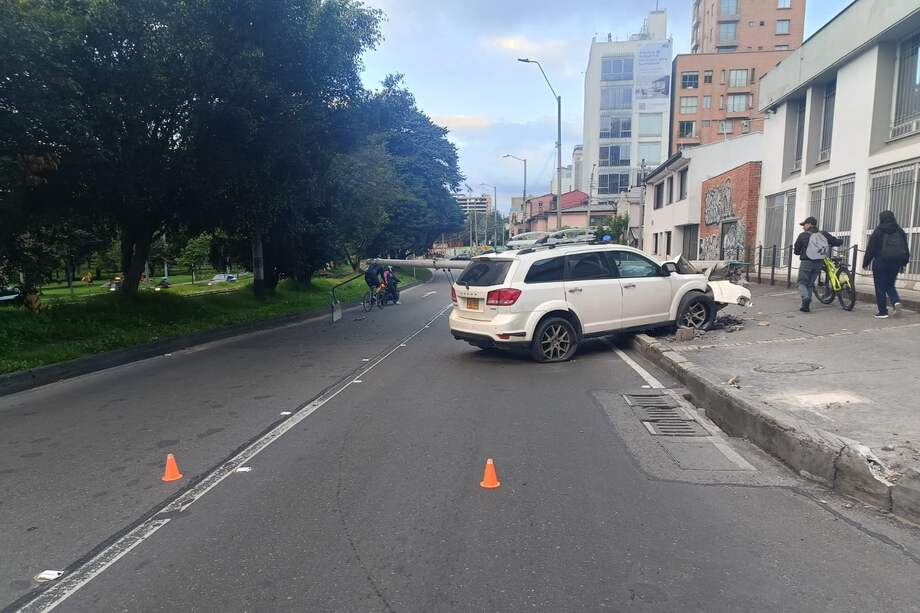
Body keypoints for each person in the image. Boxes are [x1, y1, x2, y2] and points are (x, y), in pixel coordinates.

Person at [862, 210, 910, 319]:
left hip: (880, 262)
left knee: (880, 287)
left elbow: (871, 249)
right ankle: (896, 302)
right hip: (896, 263)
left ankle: (883, 312)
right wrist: (903, 263)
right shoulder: (900, 231)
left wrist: (866, 262)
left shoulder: (878, 231)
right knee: (890, 285)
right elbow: (905, 249)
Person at [792, 216, 843, 313]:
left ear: (809, 224)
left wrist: (802, 250)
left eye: (804, 225)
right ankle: (805, 306)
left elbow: (796, 251)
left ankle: (806, 298)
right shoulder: (823, 234)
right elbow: (836, 242)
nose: (803, 227)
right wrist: (840, 242)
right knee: (810, 284)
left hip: (806, 262)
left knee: (801, 283)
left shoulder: (803, 235)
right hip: (819, 263)